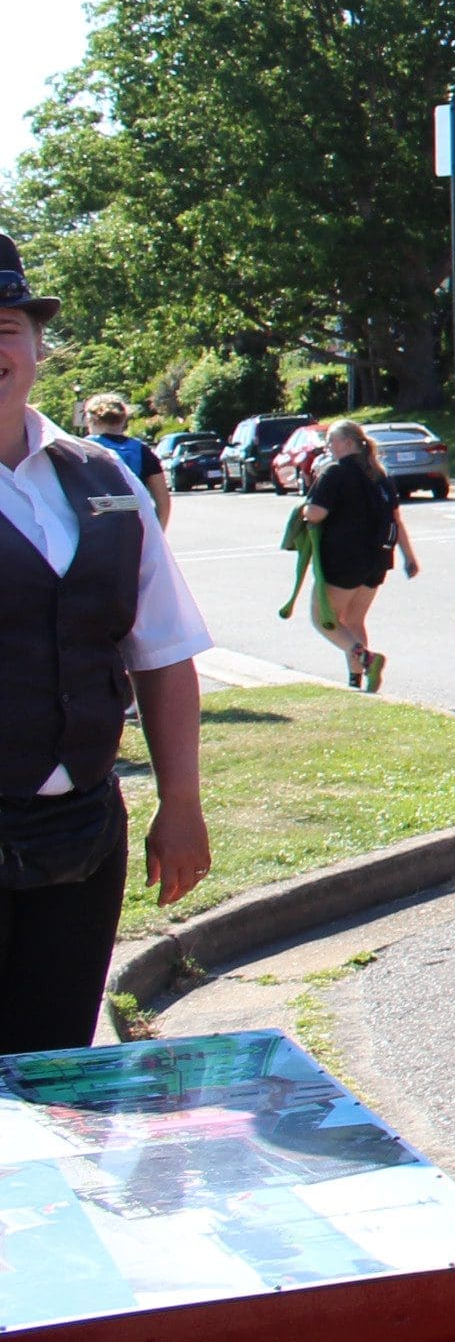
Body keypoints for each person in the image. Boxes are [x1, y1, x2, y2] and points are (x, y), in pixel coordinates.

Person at [0, 236, 210, 1051]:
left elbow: (160, 651)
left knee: (57, 1069)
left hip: (83, 834)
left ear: (38, 348)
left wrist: (181, 804)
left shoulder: (105, 480)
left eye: (6, 329)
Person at [298, 419, 416, 692]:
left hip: (344, 560)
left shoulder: (335, 473)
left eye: (332, 440)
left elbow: (316, 513)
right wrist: (409, 556)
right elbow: (396, 519)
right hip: (378, 559)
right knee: (353, 621)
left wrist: (303, 512)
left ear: (348, 443)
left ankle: (367, 659)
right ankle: (357, 681)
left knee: (324, 619)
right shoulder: (379, 474)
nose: (328, 446)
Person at [77, 394, 170, 529]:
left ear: (91, 419)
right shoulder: (142, 451)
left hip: (94, 529)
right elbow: (163, 501)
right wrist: (157, 535)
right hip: (135, 527)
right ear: (123, 419)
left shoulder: (82, 449)